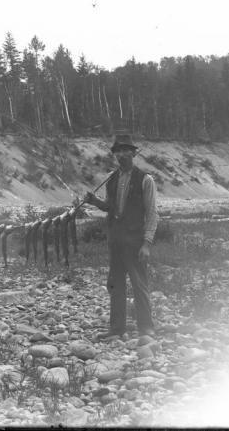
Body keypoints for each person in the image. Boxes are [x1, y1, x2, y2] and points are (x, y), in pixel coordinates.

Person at [82, 134, 159, 339]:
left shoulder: (146, 180)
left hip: (135, 242)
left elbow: (152, 214)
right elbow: (110, 207)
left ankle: (146, 328)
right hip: (116, 242)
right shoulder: (112, 179)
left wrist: (147, 244)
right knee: (115, 285)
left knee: (139, 285)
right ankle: (117, 329)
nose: (121, 154)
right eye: (118, 151)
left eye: (126, 150)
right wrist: (94, 201)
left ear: (133, 153)